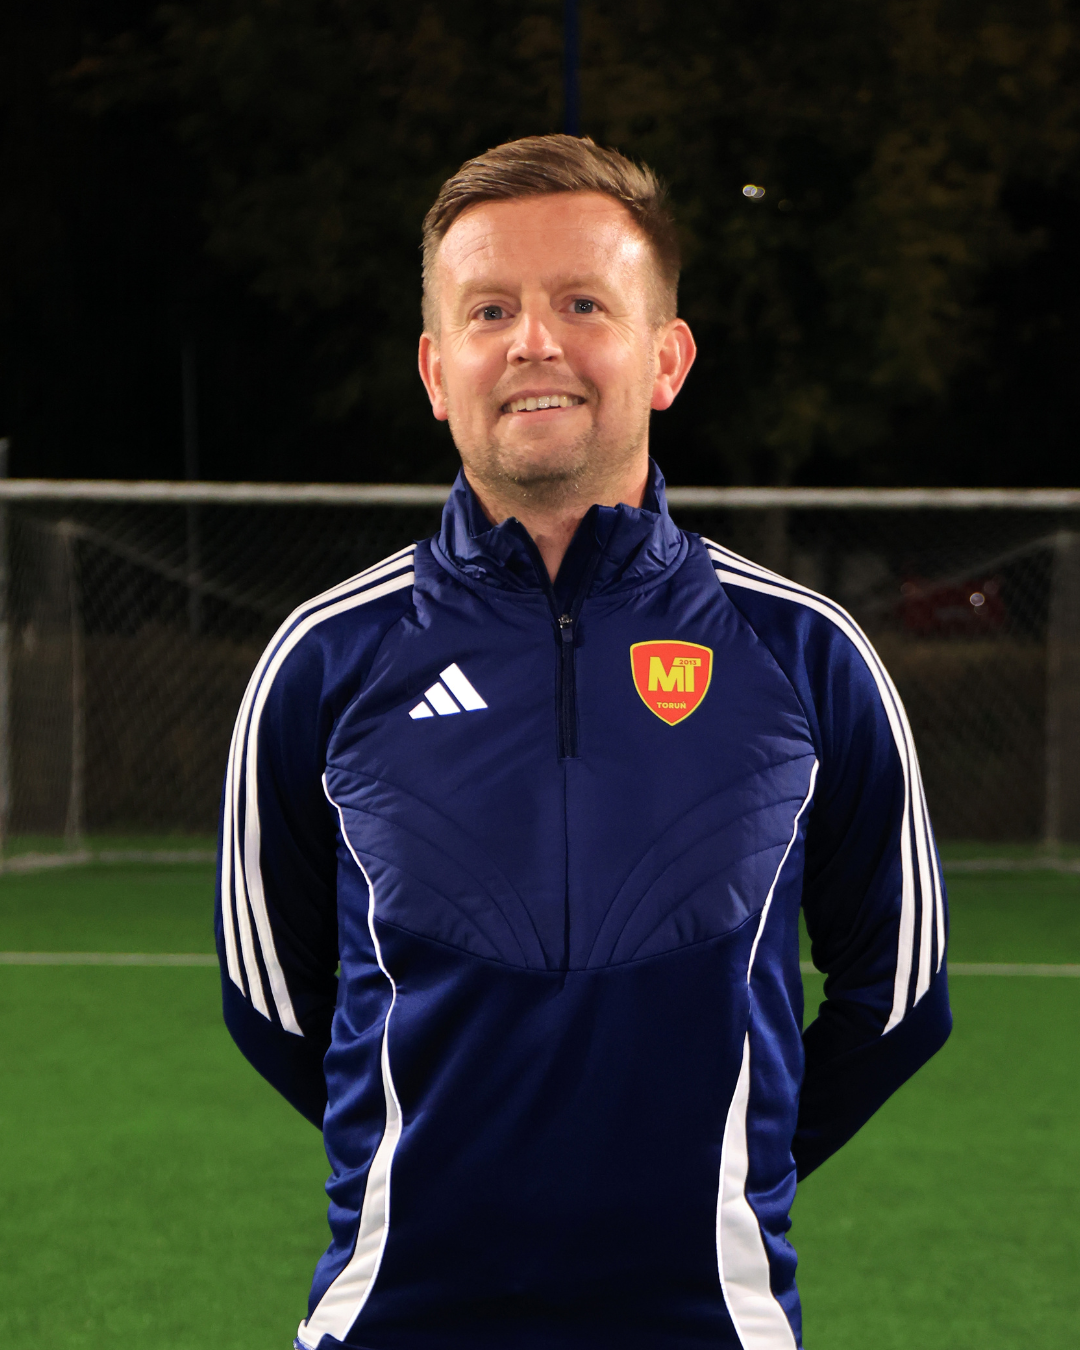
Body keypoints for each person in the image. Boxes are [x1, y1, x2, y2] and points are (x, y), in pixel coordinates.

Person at [215, 134, 951, 1350]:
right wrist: (445, 1165)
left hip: (711, 1324)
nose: (533, 343)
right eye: (489, 309)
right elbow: (270, 1005)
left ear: (667, 358)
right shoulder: (324, 662)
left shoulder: (806, 654)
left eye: (583, 304)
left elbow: (899, 999)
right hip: (395, 1322)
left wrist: (726, 1170)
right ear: (436, 369)